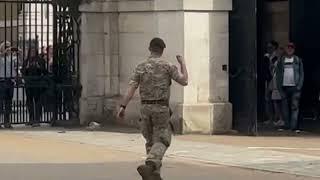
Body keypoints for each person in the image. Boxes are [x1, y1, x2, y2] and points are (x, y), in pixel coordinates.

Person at [117, 37, 188, 180]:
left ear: (149, 49)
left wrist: (123, 106)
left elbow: (131, 88)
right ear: (162, 51)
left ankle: (154, 175)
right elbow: (184, 81)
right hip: (160, 107)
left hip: (145, 107)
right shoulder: (168, 66)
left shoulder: (141, 67)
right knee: (162, 140)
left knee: (150, 141)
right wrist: (182, 63)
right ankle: (151, 165)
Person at [276, 42, 304, 133]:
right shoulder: (281, 60)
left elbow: (301, 74)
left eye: (291, 48)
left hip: (295, 87)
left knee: (294, 106)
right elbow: (278, 74)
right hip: (284, 86)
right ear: (285, 49)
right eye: (288, 47)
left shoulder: (297, 60)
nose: (289, 49)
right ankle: (287, 125)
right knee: (285, 107)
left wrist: (299, 86)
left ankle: (293, 126)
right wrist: (279, 86)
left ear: (294, 49)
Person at [22, 47, 47, 127]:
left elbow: (44, 71)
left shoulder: (40, 60)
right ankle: (31, 118)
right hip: (29, 83)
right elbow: (23, 72)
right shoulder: (26, 61)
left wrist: (39, 67)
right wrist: (26, 68)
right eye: (31, 51)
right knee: (29, 101)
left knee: (37, 101)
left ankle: (37, 119)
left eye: (34, 51)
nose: (32, 52)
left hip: (37, 82)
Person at [0, 41, 19, 129]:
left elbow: (18, 65)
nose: (8, 48)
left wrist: (19, 53)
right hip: (2, 81)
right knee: (0, 102)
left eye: (9, 46)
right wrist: (4, 52)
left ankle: (7, 122)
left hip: (10, 81)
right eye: (6, 47)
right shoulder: (1, 57)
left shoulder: (12, 57)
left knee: (8, 102)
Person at [263, 40, 280, 125]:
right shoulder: (266, 57)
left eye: (270, 47)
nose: (268, 49)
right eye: (268, 47)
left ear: (274, 47)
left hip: (275, 80)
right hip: (267, 79)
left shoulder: (277, 57)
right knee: (267, 99)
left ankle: (277, 118)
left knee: (275, 100)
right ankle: (269, 118)